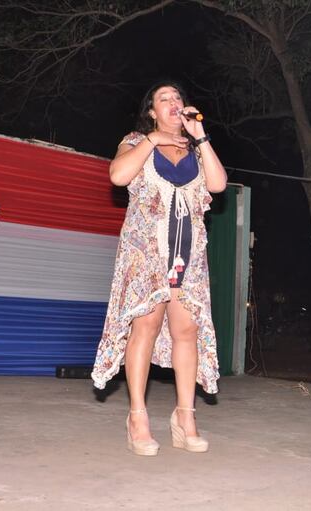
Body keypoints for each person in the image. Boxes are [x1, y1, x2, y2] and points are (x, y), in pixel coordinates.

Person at [91, 81, 227, 455]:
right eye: (163, 99)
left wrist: (201, 138)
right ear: (152, 111)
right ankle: (137, 417)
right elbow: (118, 176)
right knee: (146, 327)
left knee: (187, 329)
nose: (173, 103)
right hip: (146, 255)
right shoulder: (136, 139)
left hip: (188, 257)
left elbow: (218, 184)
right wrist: (151, 141)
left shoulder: (197, 151)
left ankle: (186, 417)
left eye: (177, 98)